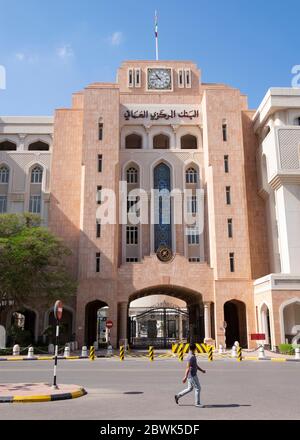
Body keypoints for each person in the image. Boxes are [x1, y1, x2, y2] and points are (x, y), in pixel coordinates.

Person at [175, 343, 206, 407]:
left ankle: (178, 396)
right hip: (192, 375)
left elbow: (195, 365)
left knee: (190, 388)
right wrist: (185, 377)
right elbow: (188, 367)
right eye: (196, 348)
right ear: (195, 348)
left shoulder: (192, 355)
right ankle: (197, 403)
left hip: (192, 375)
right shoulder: (191, 356)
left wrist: (202, 370)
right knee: (198, 388)